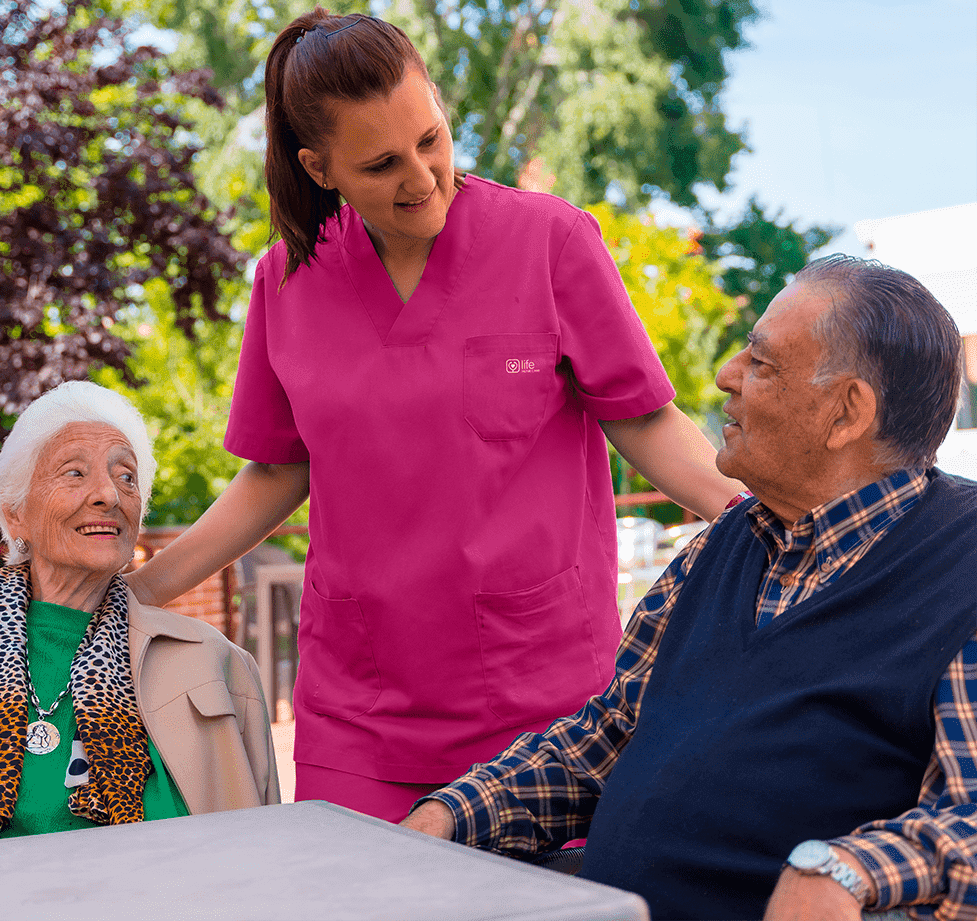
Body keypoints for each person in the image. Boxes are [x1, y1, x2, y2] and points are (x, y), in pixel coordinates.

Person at [126, 7, 744, 823]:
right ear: (320, 168)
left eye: (432, 139)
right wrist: (135, 594)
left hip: (547, 709)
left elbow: (643, 419)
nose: (422, 176)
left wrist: (765, 520)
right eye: (381, 163)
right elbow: (279, 469)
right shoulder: (285, 284)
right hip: (362, 715)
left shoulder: (551, 240)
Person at [402, 255, 977, 921]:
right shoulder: (718, 548)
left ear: (847, 413)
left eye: (760, 365)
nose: (725, 377)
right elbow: (604, 741)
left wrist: (844, 870)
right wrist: (452, 813)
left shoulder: (962, 568)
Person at [0, 381, 279, 842]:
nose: (109, 494)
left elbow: (261, 854)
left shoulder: (214, 664)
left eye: (127, 477)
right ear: (16, 515)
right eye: (74, 473)